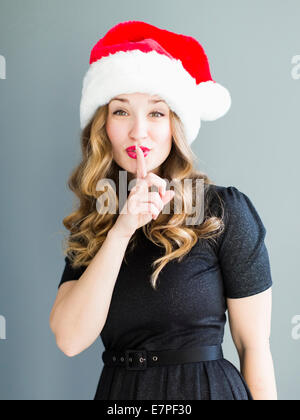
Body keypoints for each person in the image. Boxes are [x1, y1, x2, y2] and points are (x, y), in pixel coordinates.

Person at [49, 20, 277, 400]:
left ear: (175, 126)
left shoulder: (222, 209)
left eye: (156, 113)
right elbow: (70, 339)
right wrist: (121, 230)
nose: (139, 132)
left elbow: (254, 347)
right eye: (121, 112)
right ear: (103, 126)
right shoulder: (97, 220)